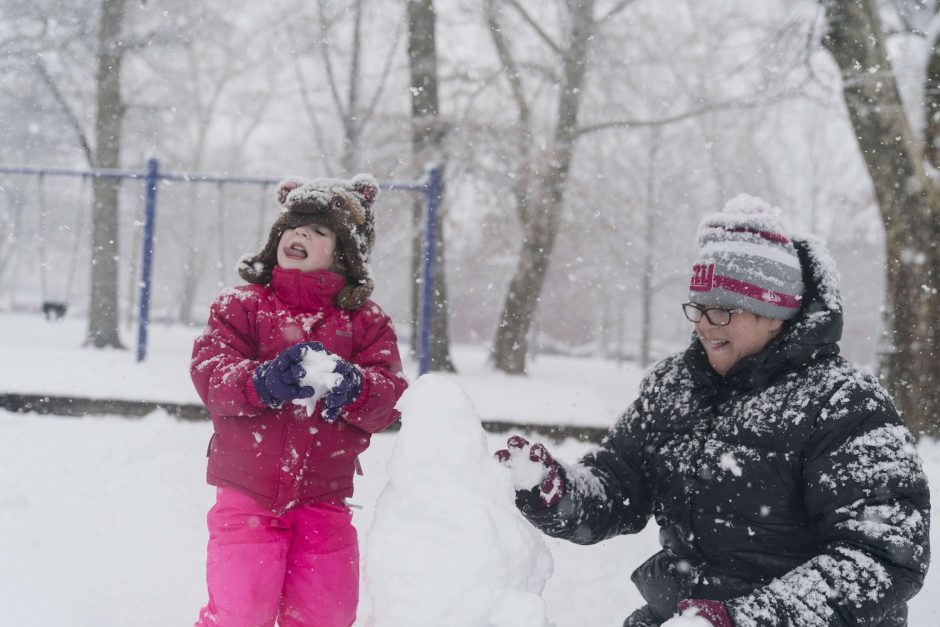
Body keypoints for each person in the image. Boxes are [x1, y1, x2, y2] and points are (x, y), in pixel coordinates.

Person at [497, 195, 930, 626]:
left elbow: (881, 558)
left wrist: (740, 620)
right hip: (683, 613)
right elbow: (617, 487)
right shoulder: (676, 385)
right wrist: (556, 491)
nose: (705, 324)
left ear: (775, 313)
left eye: (723, 310)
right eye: (700, 308)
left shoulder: (846, 403)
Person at [190, 173, 407, 627]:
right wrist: (263, 381)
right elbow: (211, 372)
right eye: (293, 226)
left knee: (324, 613)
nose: (301, 234)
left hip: (324, 498)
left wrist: (354, 387)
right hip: (247, 495)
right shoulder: (242, 305)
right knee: (240, 611)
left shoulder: (365, 322)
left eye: (320, 230)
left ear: (344, 253)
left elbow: (388, 396)